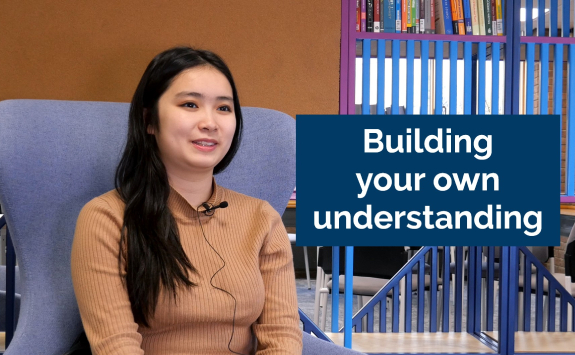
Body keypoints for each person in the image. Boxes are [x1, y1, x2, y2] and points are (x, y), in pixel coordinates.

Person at [71, 46, 302, 355]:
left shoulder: (261, 218)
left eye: (223, 108)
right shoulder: (106, 218)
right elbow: (116, 347)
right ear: (149, 121)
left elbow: (282, 337)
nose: (210, 122)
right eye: (190, 104)